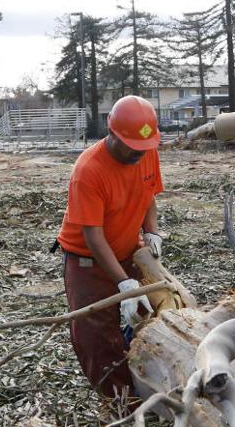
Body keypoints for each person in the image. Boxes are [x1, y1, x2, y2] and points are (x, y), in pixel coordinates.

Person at [57, 95, 165, 401]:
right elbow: (93, 236)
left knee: (149, 314)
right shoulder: (89, 171)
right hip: (88, 262)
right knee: (97, 337)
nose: (138, 154)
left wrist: (151, 231)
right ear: (112, 132)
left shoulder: (146, 153)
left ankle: (141, 377)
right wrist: (124, 282)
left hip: (129, 249)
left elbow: (149, 194)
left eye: (144, 149)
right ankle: (120, 405)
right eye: (132, 147)